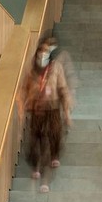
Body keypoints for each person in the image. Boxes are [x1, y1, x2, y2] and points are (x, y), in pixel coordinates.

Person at [21, 39, 73, 193]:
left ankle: (48, 168)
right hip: (37, 109)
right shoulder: (33, 70)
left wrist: (67, 113)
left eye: (45, 51)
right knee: (36, 138)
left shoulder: (55, 67)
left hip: (53, 107)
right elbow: (26, 89)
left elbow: (62, 88)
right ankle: (36, 166)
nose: (42, 54)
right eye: (40, 51)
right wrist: (24, 106)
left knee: (52, 136)